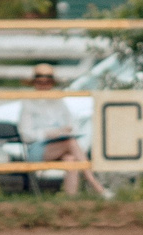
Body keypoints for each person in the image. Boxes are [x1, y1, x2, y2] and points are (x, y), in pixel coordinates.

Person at [15, 63, 97, 196]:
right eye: (40, 82)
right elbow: (26, 135)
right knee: (71, 143)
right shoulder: (28, 103)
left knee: (70, 159)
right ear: (35, 83)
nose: (44, 86)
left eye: (47, 82)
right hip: (36, 149)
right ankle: (95, 184)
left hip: (60, 145)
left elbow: (71, 124)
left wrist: (65, 131)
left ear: (52, 83)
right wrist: (49, 134)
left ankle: (71, 198)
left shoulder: (58, 101)